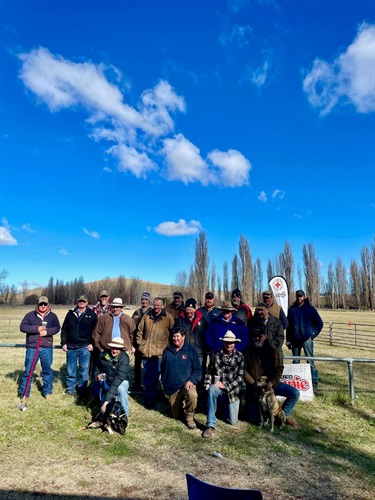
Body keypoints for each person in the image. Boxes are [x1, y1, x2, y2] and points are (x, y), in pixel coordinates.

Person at [243, 329, 300, 427]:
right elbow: (243, 371)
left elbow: (279, 368)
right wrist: (254, 384)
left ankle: (283, 416)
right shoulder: (247, 351)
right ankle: (263, 415)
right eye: (254, 336)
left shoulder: (273, 351)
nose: (257, 338)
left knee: (294, 393)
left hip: (272, 386)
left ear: (264, 336)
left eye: (259, 336)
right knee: (255, 419)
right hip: (255, 388)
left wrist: (273, 383)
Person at [202, 331, 244, 438]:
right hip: (217, 387)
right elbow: (209, 371)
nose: (228, 345)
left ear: (235, 343)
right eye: (226, 342)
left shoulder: (240, 357)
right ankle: (211, 424)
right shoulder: (215, 354)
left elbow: (240, 378)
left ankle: (221, 408)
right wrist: (207, 383)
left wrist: (226, 386)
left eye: (231, 343)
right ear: (223, 342)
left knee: (232, 421)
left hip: (232, 391)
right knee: (212, 389)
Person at [19, 296, 60, 404]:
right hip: (33, 347)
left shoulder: (52, 316)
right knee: (28, 371)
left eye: (45, 304)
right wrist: (36, 329)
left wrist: (47, 332)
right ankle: (24, 394)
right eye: (41, 304)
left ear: (48, 305)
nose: (43, 306)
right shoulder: (30, 315)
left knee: (47, 370)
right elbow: (22, 327)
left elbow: (57, 327)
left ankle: (48, 392)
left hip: (46, 347)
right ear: (38, 304)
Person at [161, 326, 202, 429]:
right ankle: (180, 403)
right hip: (173, 386)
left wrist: (191, 380)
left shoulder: (191, 350)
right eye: (174, 336)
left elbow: (197, 370)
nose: (176, 339)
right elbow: (163, 369)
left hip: (186, 384)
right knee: (176, 417)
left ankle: (190, 417)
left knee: (192, 395)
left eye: (178, 336)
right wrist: (165, 385)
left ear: (183, 337)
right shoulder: (167, 351)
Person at [136, 297, 174, 407]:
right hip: (147, 351)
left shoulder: (168, 317)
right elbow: (139, 329)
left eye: (158, 305)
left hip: (160, 353)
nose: (156, 307)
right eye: (155, 305)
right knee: (148, 375)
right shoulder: (147, 315)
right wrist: (140, 343)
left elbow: (173, 331)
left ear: (162, 306)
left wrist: (169, 347)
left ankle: (161, 396)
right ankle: (149, 398)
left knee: (159, 375)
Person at [286, 290, 323, 393]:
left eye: (301, 296)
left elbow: (319, 323)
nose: (299, 298)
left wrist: (312, 335)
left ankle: (314, 384)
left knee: (310, 361)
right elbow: (289, 326)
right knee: (296, 362)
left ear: (304, 296)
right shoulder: (292, 309)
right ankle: (296, 384)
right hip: (294, 340)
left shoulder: (310, 309)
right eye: (297, 296)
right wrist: (288, 339)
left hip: (307, 339)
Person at [61, 295, 98, 398]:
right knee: (70, 370)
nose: (81, 303)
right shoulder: (70, 314)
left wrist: (92, 343)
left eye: (83, 301)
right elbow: (64, 329)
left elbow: (95, 331)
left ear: (86, 302)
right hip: (71, 347)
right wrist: (63, 343)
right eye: (80, 301)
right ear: (77, 302)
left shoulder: (91, 314)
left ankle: (82, 391)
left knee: (84, 370)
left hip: (84, 347)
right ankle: (70, 390)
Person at [92, 336, 130, 421]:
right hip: (107, 380)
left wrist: (106, 401)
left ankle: (124, 415)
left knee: (121, 390)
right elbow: (96, 366)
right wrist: (97, 374)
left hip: (120, 381)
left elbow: (117, 381)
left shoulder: (125, 359)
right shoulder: (103, 354)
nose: (114, 351)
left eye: (117, 349)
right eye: (113, 348)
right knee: (104, 410)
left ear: (121, 349)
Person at [174, 298, 208, 366]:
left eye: (190, 309)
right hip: (184, 351)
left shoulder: (202, 320)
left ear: (195, 310)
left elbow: (207, 335)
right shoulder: (180, 320)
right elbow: (174, 334)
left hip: (199, 352)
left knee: (198, 373)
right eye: (187, 309)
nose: (188, 311)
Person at [131, 292, 152, 390]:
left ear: (149, 301)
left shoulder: (152, 312)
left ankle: (148, 385)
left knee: (148, 365)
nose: (144, 301)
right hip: (137, 343)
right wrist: (132, 344)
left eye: (146, 300)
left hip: (149, 343)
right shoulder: (136, 313)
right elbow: (132, 328)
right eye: (143, 299)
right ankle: (137, 384)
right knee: (137, 365)